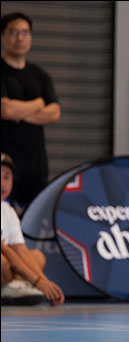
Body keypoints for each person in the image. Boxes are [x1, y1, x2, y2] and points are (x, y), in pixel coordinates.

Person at [1, 13, 61, 211]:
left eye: (25, 33)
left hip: (35, 166)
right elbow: (5, 109)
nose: (20, 38)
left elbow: (54, 113)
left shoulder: (40, 76)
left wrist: (19, 112)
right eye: (14, 32)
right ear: (3, 37)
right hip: (5, 167)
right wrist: (37, 104)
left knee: (33, 223)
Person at [1, 152, 65, 306]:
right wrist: (38, 282)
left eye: (6, 177)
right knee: (2, 262)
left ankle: (12, 287)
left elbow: (20, 251)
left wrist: (46, 283)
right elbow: (6, 250)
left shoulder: (8, 211)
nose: (2, 183)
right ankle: (11, 287)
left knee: (37, 256)